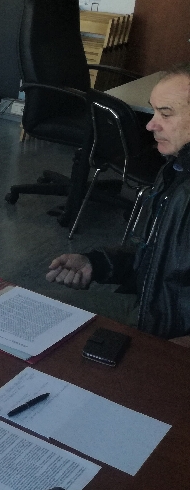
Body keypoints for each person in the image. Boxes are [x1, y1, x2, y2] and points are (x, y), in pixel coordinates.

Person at [46, 64, 190, 341]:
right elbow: (156, 257)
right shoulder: (174, 172)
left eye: (166, 114)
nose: (150, 125)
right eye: (154, 110)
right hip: (154, 322)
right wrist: (97, 263)